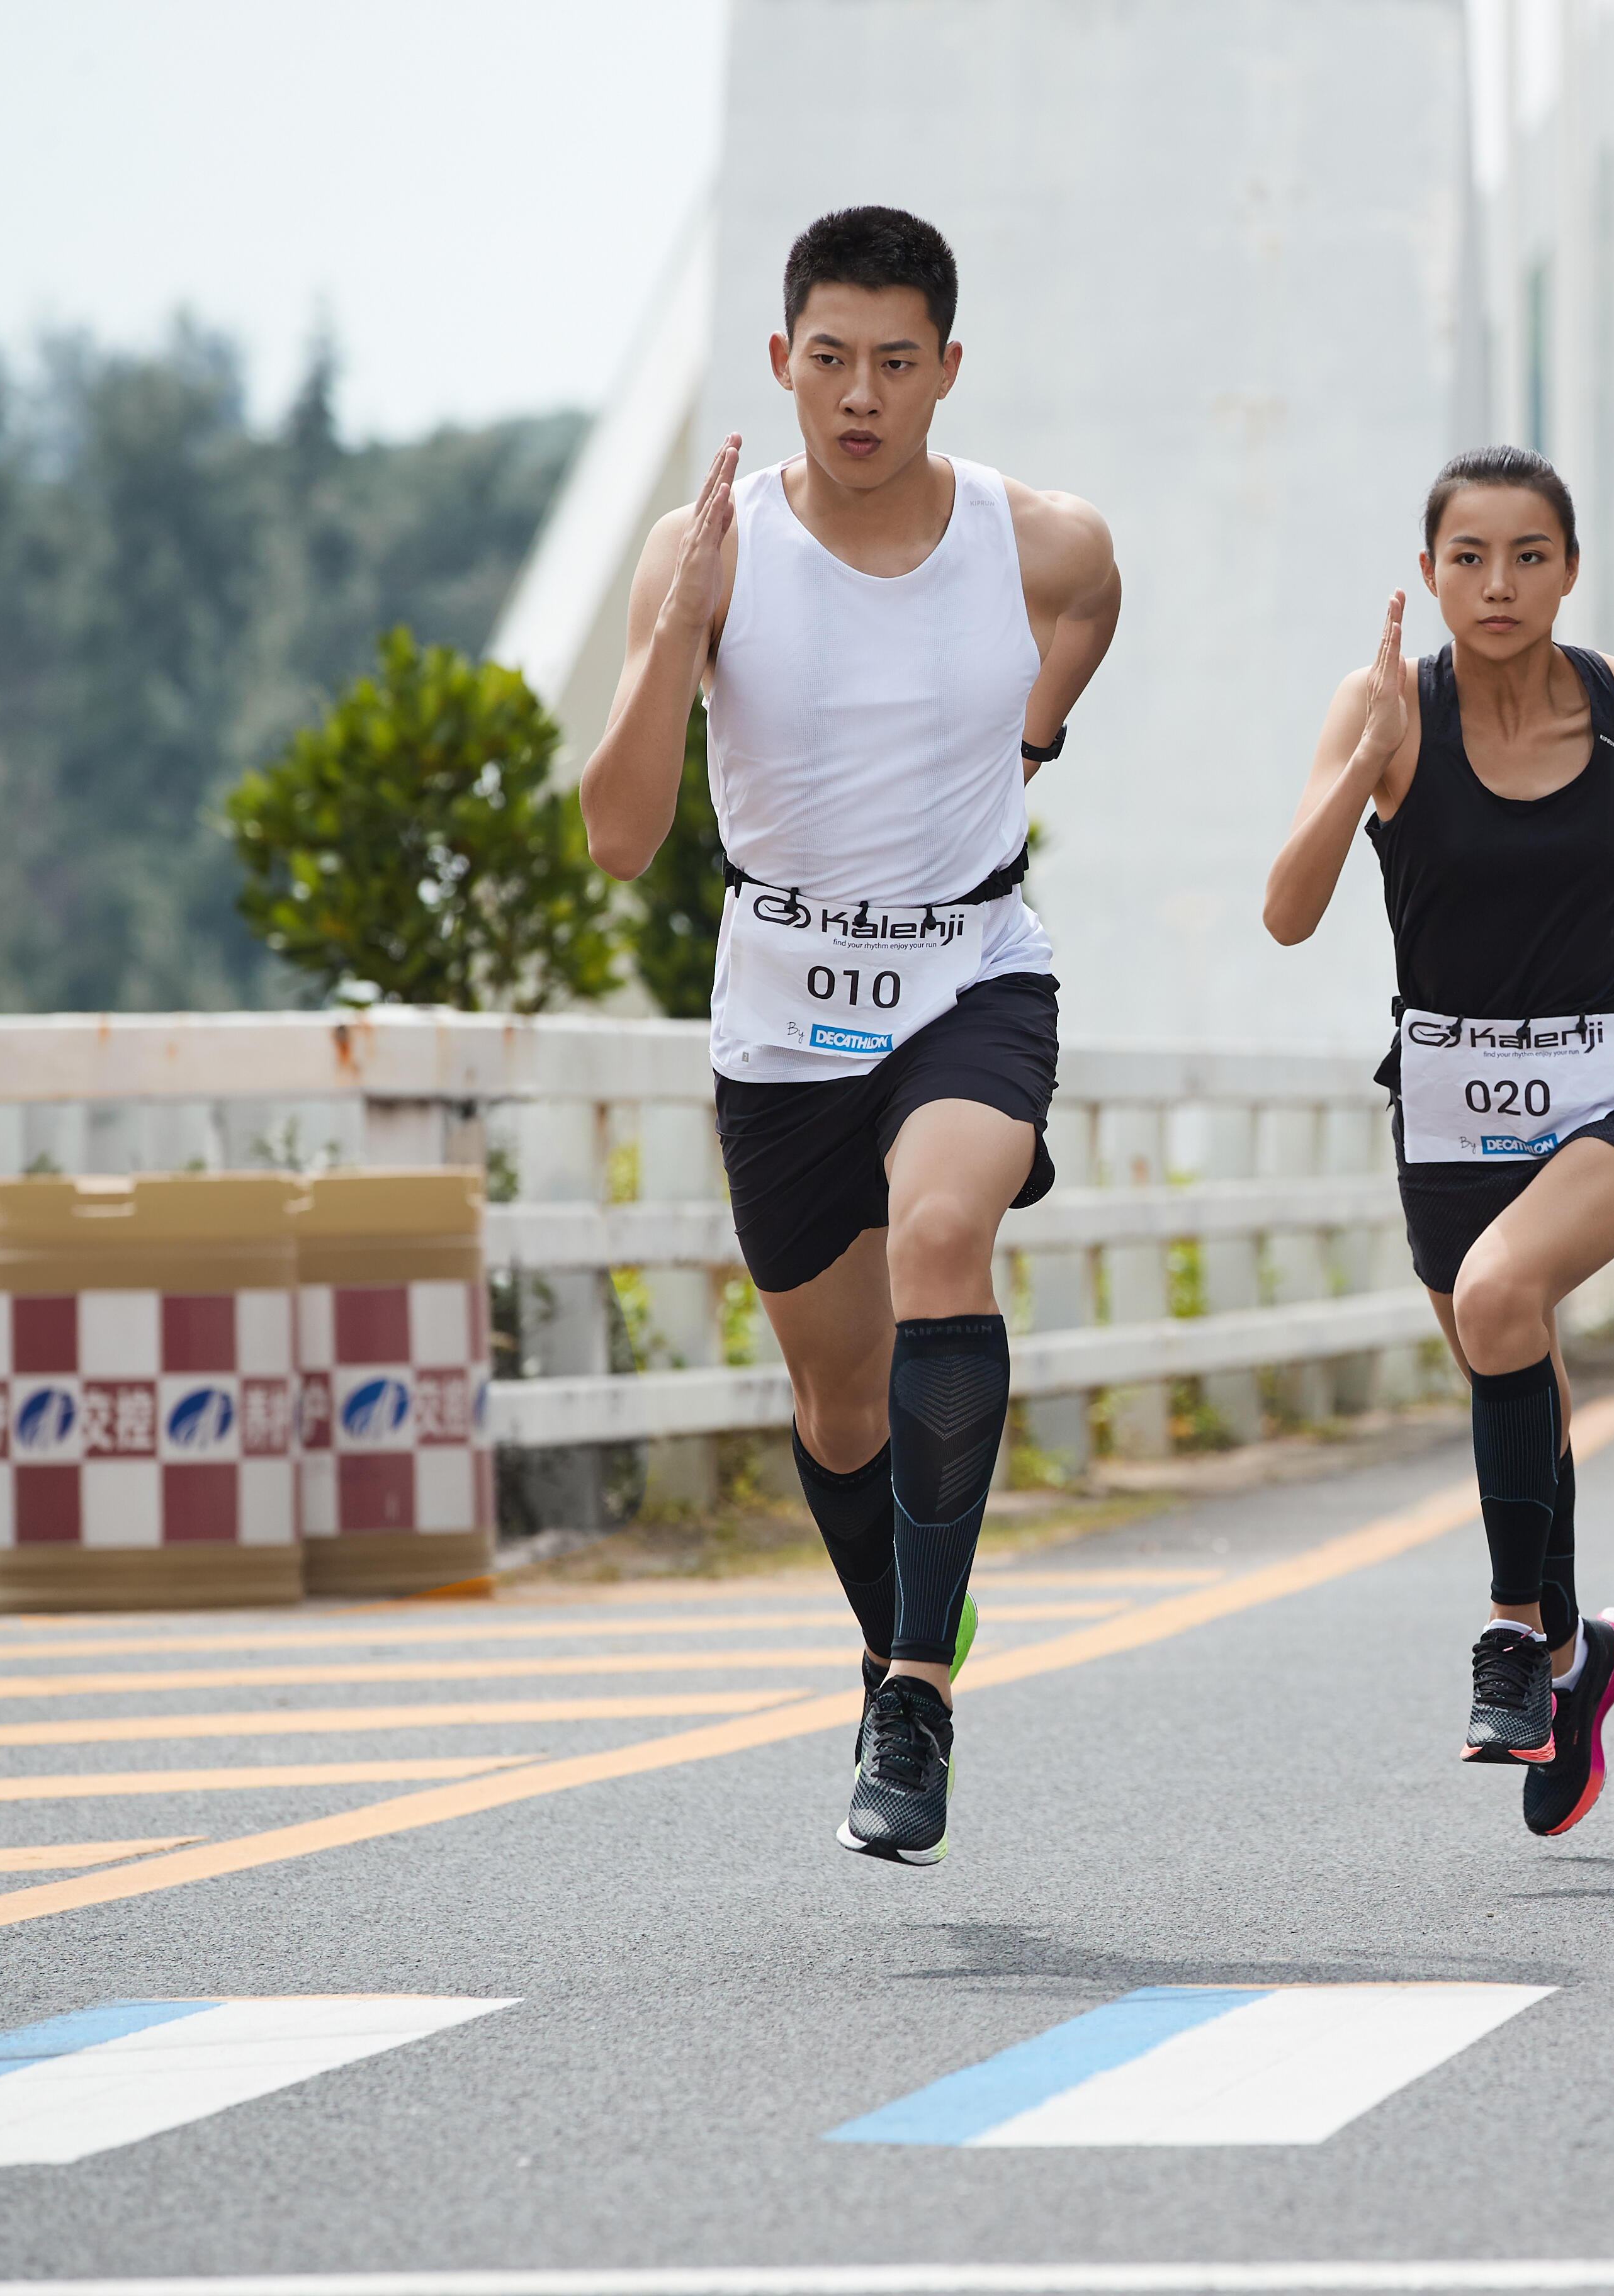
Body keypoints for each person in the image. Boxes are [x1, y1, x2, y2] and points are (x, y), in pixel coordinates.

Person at [580, 205, 1121, 1866]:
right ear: (781, 363)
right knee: (838, 1406)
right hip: (784, 1007)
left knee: (949, 1234)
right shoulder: (709, 549)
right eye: (832, 360)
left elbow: (1095, 602)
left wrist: (1035, 737)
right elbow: (614, 834)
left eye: (898, 362)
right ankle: (908, 1620)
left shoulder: (1032, 542)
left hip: (972, 972)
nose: (862, 393)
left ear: (949, 370)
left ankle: (910, 1696)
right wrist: (684, 629)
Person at [1261, 444, 1614, 1838]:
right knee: (1513, 1359)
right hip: (1448, 1108)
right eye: (1468, 557)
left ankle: (1512, 1640)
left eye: (1530, 555)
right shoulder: (1387, 712)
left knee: (1497, 1301)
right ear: (1429, 573)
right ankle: (1582, 1664)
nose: (1498, 584)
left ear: (1569, 571)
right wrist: (1359, 776)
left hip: (1610, 1089)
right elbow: (1289, 913)